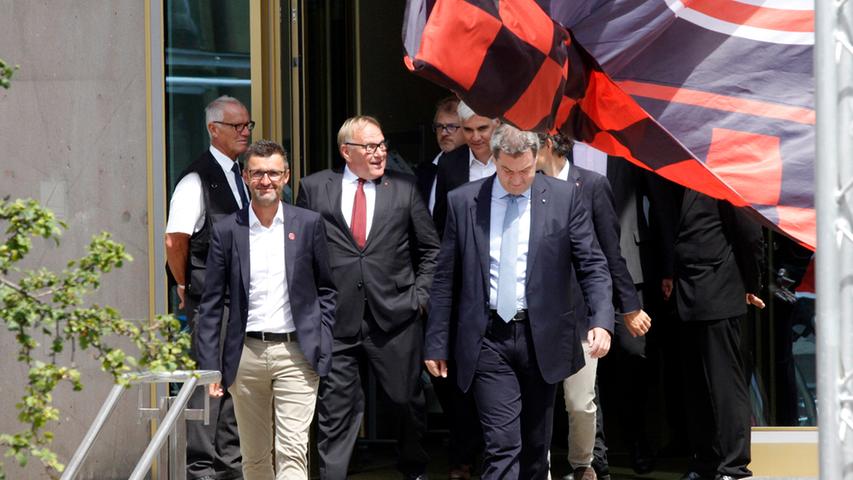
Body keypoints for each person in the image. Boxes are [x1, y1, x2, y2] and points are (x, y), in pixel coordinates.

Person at [425, 124, 613, 480]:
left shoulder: (563, 197)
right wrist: (436, 341)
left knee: (534, 447)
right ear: (494, 160)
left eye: (525, 170)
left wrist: (601, 319)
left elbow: (592, 263)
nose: (516, 179)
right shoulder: (465, 201)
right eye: (507, 171)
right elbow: (445, 277)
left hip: (542, 336)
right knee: (502, 444)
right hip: (488, 338)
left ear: (537, 157)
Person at [296, 116, 440, 480]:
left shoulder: (404, 189)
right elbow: (301, 254)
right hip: (338, 320)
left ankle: (415, 469)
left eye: (382, 146)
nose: (380, 154)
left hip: (395, 318)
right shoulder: (314, 188)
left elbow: (431, 251)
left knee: (406, 403)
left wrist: (420, 298)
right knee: (336, 412)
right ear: (347, 152)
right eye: (371, 147)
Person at [195, 140, 337, 479]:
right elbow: (212, 302)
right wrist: (210, 367)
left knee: (291, 450)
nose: (266, 181)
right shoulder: (229, 229)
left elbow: (327, 290)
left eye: (273, 173)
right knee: (255, 457)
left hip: (297, 353)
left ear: (286, 176)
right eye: (258, 173)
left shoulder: (308, 224)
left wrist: (322, 337)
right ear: (245, 177)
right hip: (246, 355)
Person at [536, 134, 652, 480]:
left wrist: (628, 305)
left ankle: (587, 462)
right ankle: (559, 466)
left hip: (584, 305)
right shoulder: (528, 186)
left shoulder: (591, 184)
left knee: (582, 400)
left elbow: (609, 252)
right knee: (540, 400)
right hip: (542, 308)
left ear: (549, 145)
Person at [165, 95, 251, 480]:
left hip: (242, 304)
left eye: (248, 125)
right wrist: (183, 283)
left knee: (234, 392)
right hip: (210, 305)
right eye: (237, 126)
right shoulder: (195, 179)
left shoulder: (243, 175)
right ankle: (201, 472)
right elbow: (175, 241)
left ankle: (230, 470)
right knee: (207, 393)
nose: (245, 132)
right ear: (213, 129)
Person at [659, 187, 764, 480]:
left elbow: (750, 234)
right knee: (696, 389)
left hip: (720, 292)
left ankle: (734, 467)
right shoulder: (672, 179)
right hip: (687, 296)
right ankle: (705, 462)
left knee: (725, 385)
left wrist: (751, 285)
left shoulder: (720, 177)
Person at [416, 97, 485, 480]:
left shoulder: (514, 165)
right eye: (464, 129)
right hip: (457, 288)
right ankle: (463, 453)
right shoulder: (449, 169)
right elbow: (439, 235)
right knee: (454, 376)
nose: (468, 137)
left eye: (479, 129)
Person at [431, 101, 499, 237]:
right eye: (468, 130)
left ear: (497, 124)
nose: (475, 137)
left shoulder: (512, 158)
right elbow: (442, 221)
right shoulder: (449, 164)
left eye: (482, 128)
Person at [415, 95, 465, 214]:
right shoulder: (424, 170)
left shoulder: (475, 168)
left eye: (451, 127)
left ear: (467, 129)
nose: (443, 133)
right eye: (439, 126)